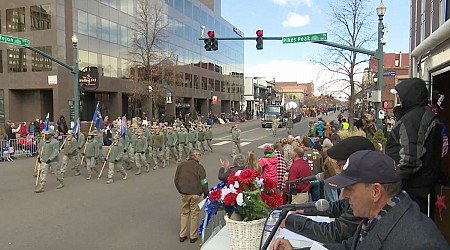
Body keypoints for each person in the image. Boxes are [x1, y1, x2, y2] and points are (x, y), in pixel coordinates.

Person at [274, 150, 449, 250]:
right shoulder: (379, 217)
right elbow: (350, 247)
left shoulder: (421, 244)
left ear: (375, 191)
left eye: (349, 188)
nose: (344, 195)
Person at [279, 136, 376, 244]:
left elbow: (336, 233)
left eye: (340, 165)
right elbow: (339, 206)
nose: (344, 193)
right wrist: (305, 210)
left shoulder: (365, 200)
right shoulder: (362, 196)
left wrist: (293, 221)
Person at [387, 78, 443, 218]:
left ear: (409, 95)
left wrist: (390, 184)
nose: (399, 98)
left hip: (411, 190)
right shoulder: (424, 115)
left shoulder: (413, 119)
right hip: (420, 187)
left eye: (400, 95)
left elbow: (410, 160)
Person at [174, 149, 208, 244]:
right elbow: (203, 181)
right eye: (199, 155)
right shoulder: (199, 167)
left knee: (184, 212)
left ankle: (182, 234)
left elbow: (176, 179)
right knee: (194, 213)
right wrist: (206, 192)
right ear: (195, 156)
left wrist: (180, 189)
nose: (200, 157)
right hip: (195, 193)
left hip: (184, 193)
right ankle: (193, 236)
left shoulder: (181, 165)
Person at [299, 136, 323, 201]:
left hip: (306, 180)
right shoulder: (317, 152)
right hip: (316, 178)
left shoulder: (302, 154)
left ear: (303, 144)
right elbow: (322, 166)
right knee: (316, 200)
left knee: (306, 201)